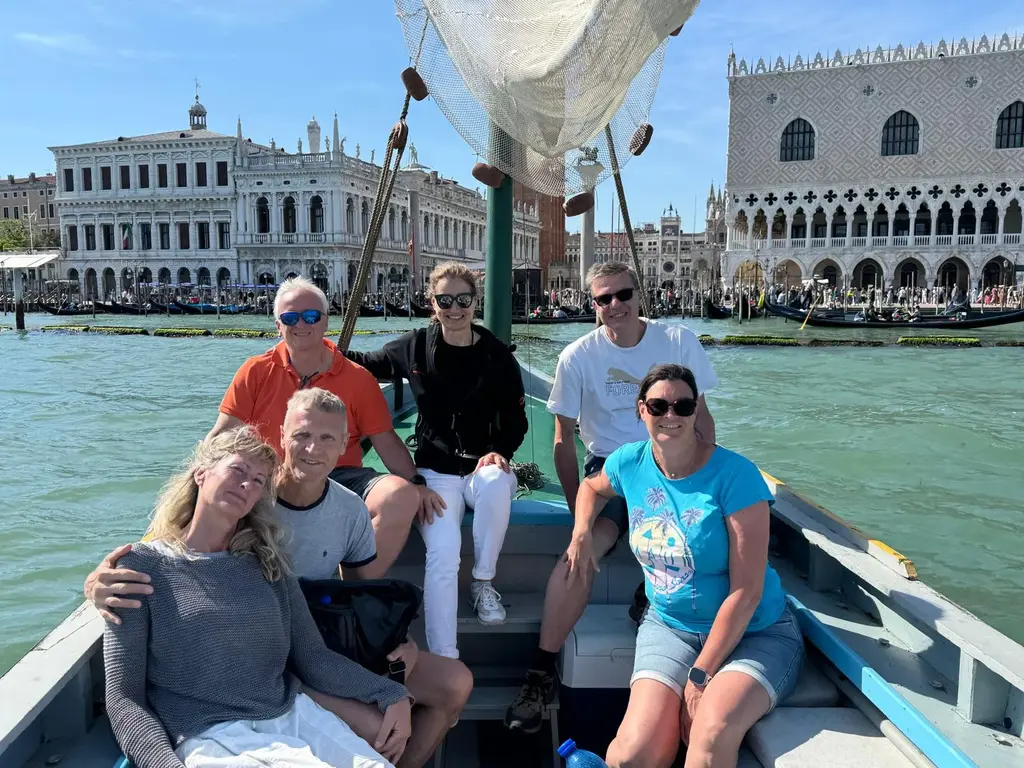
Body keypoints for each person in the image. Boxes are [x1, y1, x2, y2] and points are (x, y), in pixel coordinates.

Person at [87, 388, 473, 768]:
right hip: (211, 730)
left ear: (343, 445)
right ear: (200, 473)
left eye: (257, 480)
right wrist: (96, 584)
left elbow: (328, 636)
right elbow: (124, 698)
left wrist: (392, 691)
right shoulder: (143, 567)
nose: (247, 485)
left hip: (289, 703)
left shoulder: (271, 559)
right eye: (237, 471)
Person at [506, 262, 718, 733]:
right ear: (592, 305)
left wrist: (705, 477)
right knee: (579, 554)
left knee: (711, 534)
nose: (615, 306)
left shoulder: (679, 341)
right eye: (604, 299)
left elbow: (701, 418)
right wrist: (577, 512)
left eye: (623, 295)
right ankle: (540, 671)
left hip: (676, 463)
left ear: (639, 294)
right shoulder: (578, 357)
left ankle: (659, 600)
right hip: (610, 468)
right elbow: (564, 440)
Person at [571, 364, 804, 767]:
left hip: (756, 633)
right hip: (670, 626)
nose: (671, 416)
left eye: (683, 406)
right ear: (640, 410)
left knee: (709, 733)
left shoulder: (736, 477)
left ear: (697, 411)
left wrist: (699, 677)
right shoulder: (630, 463)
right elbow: (591, 486)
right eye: (659, 405)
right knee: (630, 755)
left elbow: (746, 592)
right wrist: (581, 532)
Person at [346, 262, 527, 657]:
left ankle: (483, 582)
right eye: (445, 300)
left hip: (484, 468)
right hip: (435, 472)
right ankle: (446, 658)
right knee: (443, 553)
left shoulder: (497, 355)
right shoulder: (414, 345)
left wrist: (502, 452)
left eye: (463, 300)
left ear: (474, 302)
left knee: (497, 482)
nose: (455, 308)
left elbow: (517, 421)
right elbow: (365, 361)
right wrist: (320, 346)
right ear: (433, 303)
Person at [207, 276, 445, 574]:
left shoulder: (359, 378)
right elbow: (224, 434)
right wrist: (200, 478)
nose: (301, 324)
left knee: (400, 496)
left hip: (341, 477)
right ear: (278, 325)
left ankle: (353, 594)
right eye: (290, 317)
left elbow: (385, 440)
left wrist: (416, 484)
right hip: (272, 477)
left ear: (325, 322)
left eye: (310, 316)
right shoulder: (254, 372)